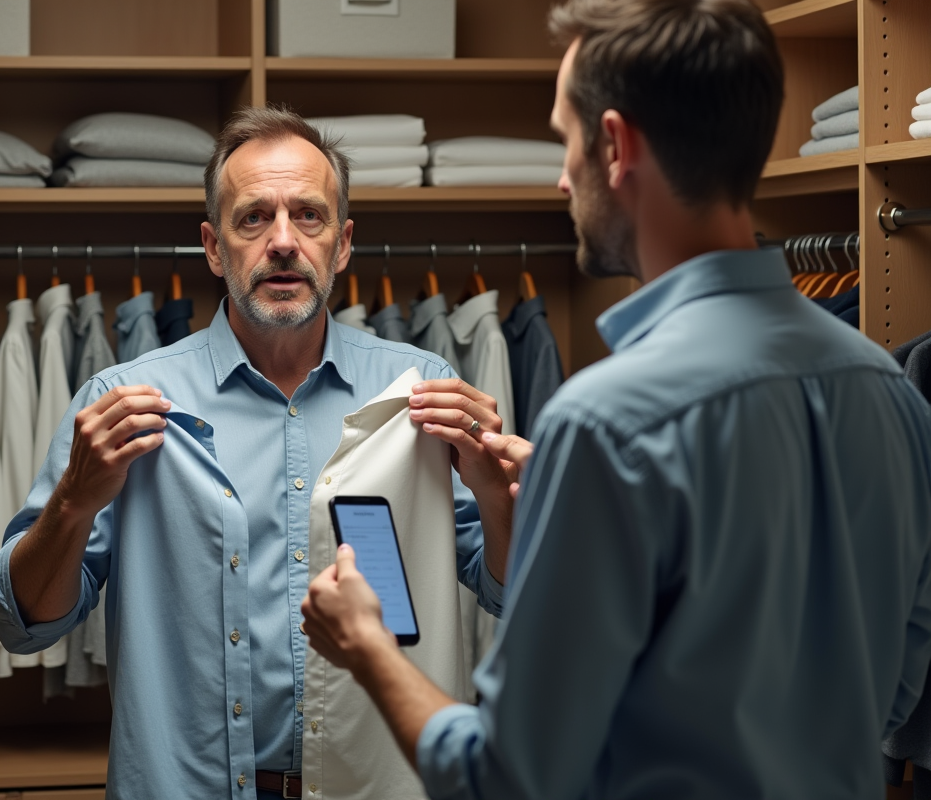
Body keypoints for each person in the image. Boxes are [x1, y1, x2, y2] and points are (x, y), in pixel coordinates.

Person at [301, 1, 931, 798]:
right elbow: (895, 691)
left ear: (615, 145)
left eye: (567, 139)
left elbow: (505, 776)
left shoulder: (605, 423)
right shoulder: (891, 394)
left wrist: (366, 643)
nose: (564, 177)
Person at [0, 106, 518, 800]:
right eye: (254, 218)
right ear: (213, 246)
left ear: (344, 243)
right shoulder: (125, 403)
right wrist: (74, 501)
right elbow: (23, 623)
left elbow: (504, 590)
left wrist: (499, 497)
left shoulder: (419, 394)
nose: (284, 242)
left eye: (309, 216)